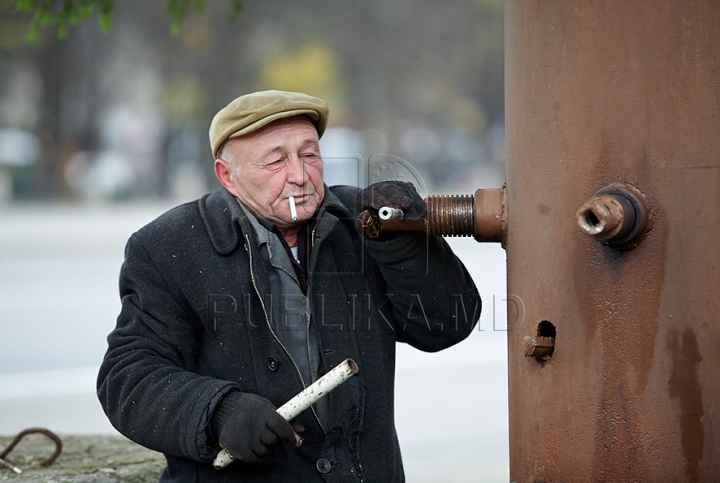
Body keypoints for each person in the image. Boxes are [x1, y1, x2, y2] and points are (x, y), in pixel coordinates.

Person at [97, 90, 480, 482]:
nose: (300, 174)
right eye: (276, 160)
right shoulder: (168, 246)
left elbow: (448, 324)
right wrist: (218, 410)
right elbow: (128, 376)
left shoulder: (365, 222)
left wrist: (403, 245)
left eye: (309, 154)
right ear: (227, 175)